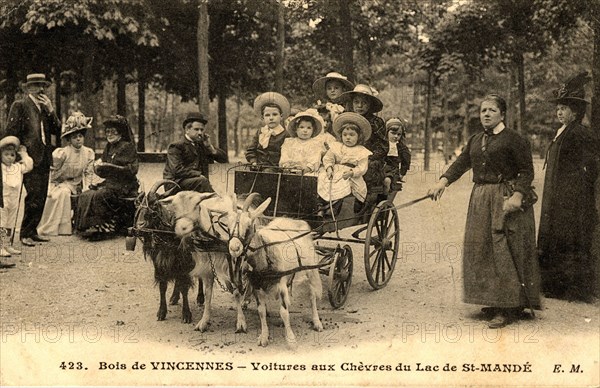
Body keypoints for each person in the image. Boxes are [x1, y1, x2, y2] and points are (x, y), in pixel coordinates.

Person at [428, 94, 541, 329]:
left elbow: (526, 171)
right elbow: (461, 163)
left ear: (502, 114)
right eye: (482, 111)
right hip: (480, 198)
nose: (486, 114)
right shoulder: (476, 139)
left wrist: (518, 195)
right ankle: (492, 300)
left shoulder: (514, 139)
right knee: (481, 247)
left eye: (491, 110)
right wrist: (442, 182)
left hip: (504, 197)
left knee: (503, 249)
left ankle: (508, 307)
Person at [538, 72, 599, 302]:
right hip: (556, 192)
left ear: (575, 111)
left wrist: (578, 185)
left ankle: (573, 288)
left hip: (573, 195)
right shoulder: (562, 132)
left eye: (564, 108)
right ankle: (553, 285)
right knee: (555, 234)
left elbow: (592, 164)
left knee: (570, 236)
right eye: (558, 108)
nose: (559, 112)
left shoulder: (580, 133)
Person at [0, 73, 61, 247]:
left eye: (42, 85)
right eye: (35, 86)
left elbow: (58, 130)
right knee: (33, 195)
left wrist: (51, 110)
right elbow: (11, 132)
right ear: (28, 88)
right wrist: (19, 154)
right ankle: (25, 233)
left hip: (44, 158)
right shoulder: (20, 105)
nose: (40, 89)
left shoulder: (45, 107)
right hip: (27, 158)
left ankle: (33, 231)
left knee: (41, 196)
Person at [74, 115, 139, 239]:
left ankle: (103, 230)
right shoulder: (109, 147)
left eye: (113, 131)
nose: (109, 134)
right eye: (107, 131)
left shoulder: (127, 146)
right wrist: (98, 168)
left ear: (120, 133)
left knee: (100, 195)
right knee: (86, 194)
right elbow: (104, 170)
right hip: (110, 183)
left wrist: (111, 167)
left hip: (125, 186)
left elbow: (131, 171)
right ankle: (87, 226)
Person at [37, 112, 95, 236]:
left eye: (80, 136)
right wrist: (49, 188)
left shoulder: (88, 153)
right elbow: (51, 172)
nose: (78, 139)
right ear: (69, 139)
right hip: (59, 183)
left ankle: (80, 224)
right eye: (74, 137)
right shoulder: (62, 153)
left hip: (77, 184)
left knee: (88, 194)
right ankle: (57, 227)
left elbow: (88, 173)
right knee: (62, 193)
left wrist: (87, 188)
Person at [336, 84, 387, 202]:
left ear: (369, 105)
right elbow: (338, 140)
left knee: (365, 170)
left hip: (369, 159)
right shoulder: (346, 119)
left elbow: (383, 147)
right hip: (347, 156)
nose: (359, 106)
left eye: (364, 103)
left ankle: (360, 200)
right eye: (356, 102)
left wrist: (366, 157)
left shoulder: (376, 122)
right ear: (352, 103)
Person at [317, 112, 372, 213]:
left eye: (352, 135)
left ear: (359, 136)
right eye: (345, 135)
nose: (348, 138)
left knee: (343, 185)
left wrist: (352, 172)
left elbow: (362, 167)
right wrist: (329, 168)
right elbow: (328, 158)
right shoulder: (336, 146)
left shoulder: (361, 151)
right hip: (335, 171)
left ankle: (334, 208)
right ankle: (321, 206)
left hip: (350, 175)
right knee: (322, 178)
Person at [163, 112, 227, 193]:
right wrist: (198, 174)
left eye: (202, 130)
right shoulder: (176, 146)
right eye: (196, 129)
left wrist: (210, 148)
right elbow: (177, 170)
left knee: (203, 182)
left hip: (197, 182)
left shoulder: (202, 145)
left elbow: (224, 160)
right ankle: (217, 202)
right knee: (202, 182)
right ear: (187, 130)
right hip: (175, 184)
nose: (200, 133)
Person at [0, 136, 33, 262]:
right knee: (2, 221)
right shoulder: (0, 168)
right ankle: (0, 246)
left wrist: (23, 154)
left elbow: (29, 165)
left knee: (11, 221)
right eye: (6, 154)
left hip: (14, 198)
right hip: (3, 198)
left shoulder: (17, 167)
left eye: (12, 155)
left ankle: (7, 245)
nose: (9, 157)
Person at [245, 92, 290, 168]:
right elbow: (251, 150)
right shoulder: (260, 132)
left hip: (277, 168)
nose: (271, 118)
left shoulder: (286, 134)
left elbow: (289, 153)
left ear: (281, 116)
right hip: (258, 167)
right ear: (263, 118)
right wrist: (253, 161)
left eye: (275, 114)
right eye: (267, 115)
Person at [279, 108, 326, 174]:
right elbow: (285, 155)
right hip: (289, 170)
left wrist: (306, 169)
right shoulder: (289, 142)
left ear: (313, 130)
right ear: (296, 129)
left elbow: (315, 159)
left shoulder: (315, 144)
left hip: (307, 172)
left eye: (309, 128)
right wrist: (287, 166)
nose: (305, 130)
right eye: (302, 127)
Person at [382, 117, 412, 195]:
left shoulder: (401, 147)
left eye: (398, 134)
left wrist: (402, 173)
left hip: (392, 171)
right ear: (386, 132)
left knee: (387, 180)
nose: (396, 136)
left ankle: (384, 196)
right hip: (380, 168)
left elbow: (406, 161)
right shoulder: (382, 144)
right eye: (393, 133)